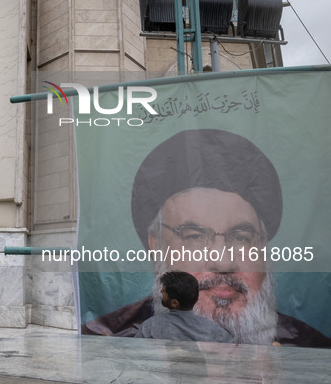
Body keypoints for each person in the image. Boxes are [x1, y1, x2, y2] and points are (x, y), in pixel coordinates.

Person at [82, 129, 331, 347]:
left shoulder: (313, 350)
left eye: (241, 238)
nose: (223, 262)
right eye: (195, 236)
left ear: (263, 248)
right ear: (156, 245)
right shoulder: (109, 340)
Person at [135, 271, 232, 342]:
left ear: (174, 303)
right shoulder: (217, 333)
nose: (161, 292)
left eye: (164, 292)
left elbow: (134, 356)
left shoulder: (150, 328)